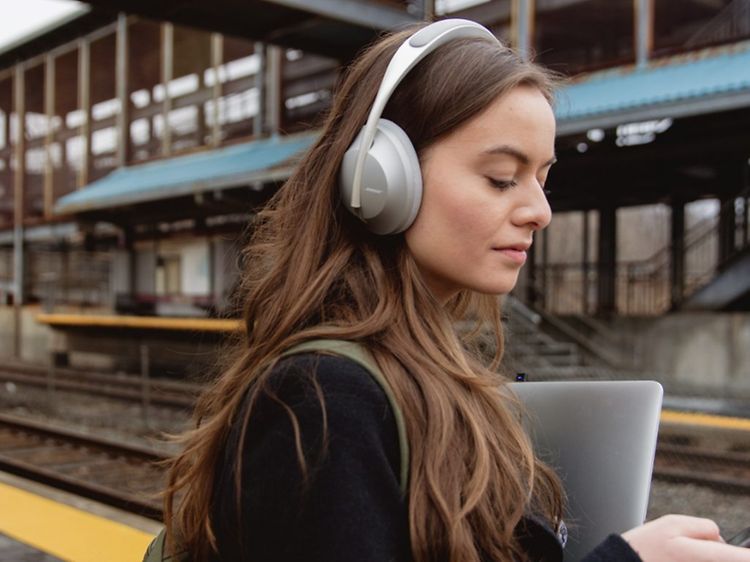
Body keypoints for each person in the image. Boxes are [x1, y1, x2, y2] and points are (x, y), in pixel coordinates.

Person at [162, 19, 750, 562]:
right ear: (383, 176)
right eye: (502, 179)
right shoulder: (323, 396)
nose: (540, 212)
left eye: (543, 180)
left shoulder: (414, 373)